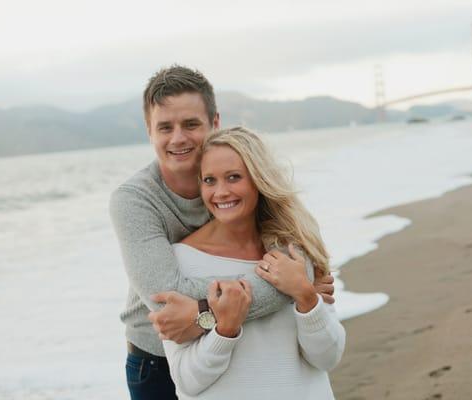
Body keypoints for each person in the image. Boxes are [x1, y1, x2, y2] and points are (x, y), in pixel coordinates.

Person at [109, 65, 335, 400]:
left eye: (190, 124)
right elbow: (169, 294)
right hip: (157, 358)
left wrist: (203, 312)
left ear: (215, 123)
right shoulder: (134, 200)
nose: (178, 138)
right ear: (149, 131)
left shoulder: (240, 176)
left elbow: (293, 245)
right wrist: (294, 287)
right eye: (165, 127)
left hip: (234, 340)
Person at [161, 127, 345, 399]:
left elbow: (328, 358)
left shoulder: (295, 249)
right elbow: (186, 381)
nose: (221, 192)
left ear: (259, 179)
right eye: (209, 180)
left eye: (234, 177)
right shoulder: (181, 261)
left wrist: (306, 296)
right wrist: (225, 328)